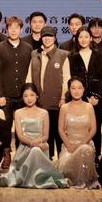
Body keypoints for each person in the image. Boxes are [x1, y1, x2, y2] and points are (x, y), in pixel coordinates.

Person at [0, 83, 68, 188]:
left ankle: (40, 177)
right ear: (22, 98)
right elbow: (20, 136)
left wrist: (38, 143)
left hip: (41, 146)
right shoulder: (18, 113)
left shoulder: (44, 112)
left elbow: (46, 136)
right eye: (25, 96)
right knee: (34, 150)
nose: (29, 98)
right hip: (24, 148)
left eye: (32, 95)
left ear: (37, 96)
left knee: (36, 151)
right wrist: (32, 143)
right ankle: (28, 178)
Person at [0, 15, 32, 169]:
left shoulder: (28, 48)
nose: (14, 30)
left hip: (24, 96)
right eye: (10, 27)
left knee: (24, 127)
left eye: (17, 27)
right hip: (6, 96)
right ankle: (6, 154)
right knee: (5, 128)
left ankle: (22, 156)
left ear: (21, 29)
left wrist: (30, 95)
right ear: (6, 29)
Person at [26, 25, 70, 159]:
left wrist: (63, 98)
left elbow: (66, 79)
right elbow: (29, 77)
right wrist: (30, 95)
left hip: (57, 101)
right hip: (39, 101)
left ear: (55, 38)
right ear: (41, 38)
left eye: (50, 36)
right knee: (45, 133)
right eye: (44, 36)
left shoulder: (63, 55)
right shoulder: (35, 54)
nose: (47, 39)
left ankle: (62, 160)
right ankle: (48, 159)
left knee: (58, 131)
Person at [68, 27, 102, 157]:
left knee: (96, 127)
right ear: (76, 39)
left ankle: (96, 156)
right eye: (80, 37)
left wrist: (96, 96)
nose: (83, 40)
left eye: (86, 37)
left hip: (96, 99)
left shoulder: (99, 54)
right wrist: (83, 96)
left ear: (90, 38)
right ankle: (79, 154)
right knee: (80, 127)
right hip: (79, 98)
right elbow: (72, 78)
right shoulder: (72, 56)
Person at [57, 78, 99, 189]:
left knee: (85, 150)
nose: (76, 91)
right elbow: (61, 129)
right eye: (73, 88)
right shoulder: (64, 108)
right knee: (64, 170)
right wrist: (69, 146)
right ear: (69, 90)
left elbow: (93, 129)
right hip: (69, 146)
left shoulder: (89, 107)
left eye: (79, 88)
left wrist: (82, 144)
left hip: (85, 144)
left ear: (83, 90)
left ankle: (84, 181)